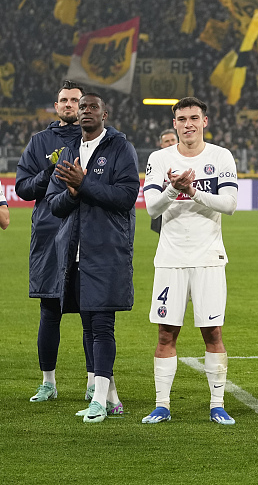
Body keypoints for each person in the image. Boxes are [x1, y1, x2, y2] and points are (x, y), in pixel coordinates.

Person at [141, 97, 239, 426]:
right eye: (181, 119)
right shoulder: (159, 158)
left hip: (209, 257)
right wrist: (172, 188)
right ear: (174, 124)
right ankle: (162, 405)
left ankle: (217, 404)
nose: (188, 124)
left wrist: (193, 191)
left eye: (194, 117)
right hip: (170, 258)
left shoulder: (220, 156)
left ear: (205, 121)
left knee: (213, 332)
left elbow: (229, 204)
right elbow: (152, 207)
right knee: (166, 334)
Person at [45, 92, 139, 422]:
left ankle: (99, 400)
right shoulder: (70, 151)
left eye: (92, 107)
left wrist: (83, 185)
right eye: (82, 107)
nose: (85, 111)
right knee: (88, 325)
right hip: (74, 252)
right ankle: (111, 399)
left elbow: (127, 196)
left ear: (105, 114)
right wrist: (72, 193)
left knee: (101, 325)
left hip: (107, 250)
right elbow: (54, 204)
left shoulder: (120, 148)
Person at [16, 80, 87, 403]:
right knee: (49, 309)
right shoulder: (39, 142)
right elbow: (23, 189)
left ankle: (93, 382)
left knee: (92, 310)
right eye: (64, 100)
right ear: (56, 106)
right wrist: (49, 172)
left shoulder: (98, 141)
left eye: (75, 100)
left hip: (86, 235)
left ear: (85, 106)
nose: (70, 105)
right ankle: (48, 382)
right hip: (49, 233)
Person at [150, 129, 178, 235]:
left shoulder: (187, 158)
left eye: (172, 140)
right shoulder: (156, 161)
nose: (170, 143)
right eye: (167, 141)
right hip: (163, 206)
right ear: (161, 144)